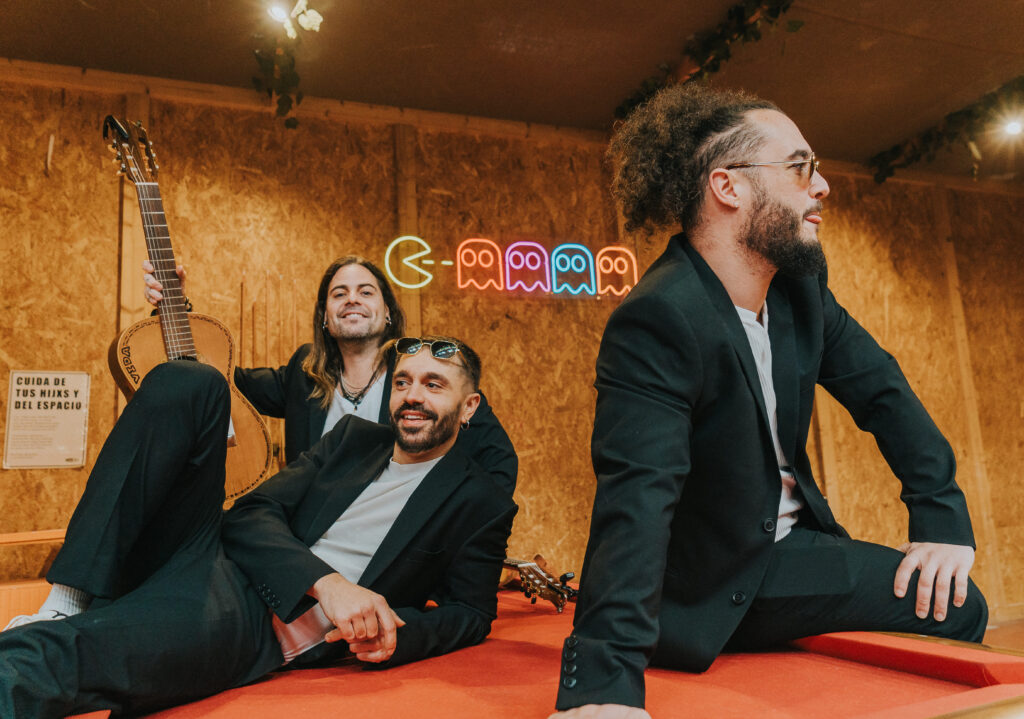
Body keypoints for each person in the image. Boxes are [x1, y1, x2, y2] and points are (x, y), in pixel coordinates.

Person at [551, 84, 987, 719]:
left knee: (946, 583)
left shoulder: (799, 291)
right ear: (728, 187)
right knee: (961, 607)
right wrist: (603, 684)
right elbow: (637, 496)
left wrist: (940, 517)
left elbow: (882, 391)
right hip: (714, 581)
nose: (822, 187)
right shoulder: (660, 317)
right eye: (800, 167)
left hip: (793, 550)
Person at [0, 336, 517, 719]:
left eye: (433, 385)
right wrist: (327, 583)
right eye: (402, 382)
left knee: (62, 653)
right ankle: (67, 598)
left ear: (469, 406)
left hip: (252, 620)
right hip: (213, 552)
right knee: (191, 379)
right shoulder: (352, 440)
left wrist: (398, 638)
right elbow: (252, 511)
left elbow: (471, 612)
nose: (412, 396)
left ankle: (44, 643)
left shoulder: (482, 501)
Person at [144, 256, 518, 492]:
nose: (352, 299)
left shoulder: (419, 375)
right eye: (339, 294)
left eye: (366, 292)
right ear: (325, 315)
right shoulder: (303, 372)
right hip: (310, 540)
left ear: (388, 311)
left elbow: (498, 459)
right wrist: (174, 308)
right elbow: (216, 377)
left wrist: (461, 535)